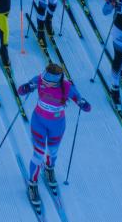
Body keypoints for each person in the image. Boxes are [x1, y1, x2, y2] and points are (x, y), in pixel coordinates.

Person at [16, 61, 91, 203]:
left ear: (57, 80)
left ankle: (49, 168)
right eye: (43, 79)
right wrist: (26, 88)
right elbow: (20, 91)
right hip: (38, 122)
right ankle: (32, 184)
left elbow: (82, 103)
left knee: (53, 151)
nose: (44, 82)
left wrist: (83, 104)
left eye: (48, 81)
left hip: (57, 125)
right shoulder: (39, 79)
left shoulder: (67, 87)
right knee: (38, 155)